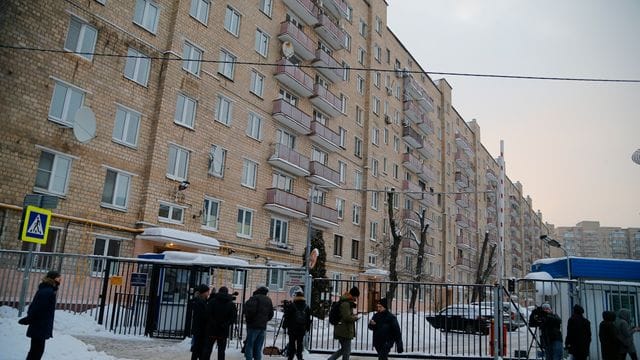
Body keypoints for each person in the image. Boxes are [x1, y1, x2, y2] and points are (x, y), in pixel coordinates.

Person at [18, 270, 62, 360]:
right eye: (58, 278)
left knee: (35, 351)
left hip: (40, 326)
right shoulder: (47, 292)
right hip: (40, 326)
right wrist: (29, 319)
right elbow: (37, 308)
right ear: (52, 279)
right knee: (36, 352)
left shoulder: (47, 290)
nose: (60, 280)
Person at [204, 286, 237, 360]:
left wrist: (213, 323)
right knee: (221, 350)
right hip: (223, 330)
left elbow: (207, 314)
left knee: (208, 349)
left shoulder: (212, 301)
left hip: (212, 329)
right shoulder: (231, 304)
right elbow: (233, 317)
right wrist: (226, 324)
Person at [327, 286, 361, 360]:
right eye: (356, 296)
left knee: (344, 349)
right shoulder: (346, 303)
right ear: (353, 295)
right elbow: (346, 317)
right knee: (346, 351)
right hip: (344, 330)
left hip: (343, 329)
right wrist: (355, 318)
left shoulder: (346, 302)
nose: (356, 299)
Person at [243, 286, 274, 360]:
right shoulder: (268, 300)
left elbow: (249, 311)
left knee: (249, 345)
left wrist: (249, 320)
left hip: (253, 326)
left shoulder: (254, 298)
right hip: (262, 327)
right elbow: (271, 314)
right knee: (258, 347)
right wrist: (264, 320)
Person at [283, 291, 311, 360]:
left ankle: (290, 357)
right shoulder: (306, 306)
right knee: (299, 343)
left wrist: (284, 325)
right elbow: (308, 318)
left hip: (292, 328)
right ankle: (299, 357)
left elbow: (287, 316)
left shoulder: (292, 305)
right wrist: (308, 327)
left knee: (292, 343)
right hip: (301, 328)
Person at [190, 284, 210, 360]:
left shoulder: (201, 301)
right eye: (207, 292)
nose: (208, 293)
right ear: (203, 292)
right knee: (198, 349)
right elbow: (203, 316)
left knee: (197, 349)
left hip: (199, 329)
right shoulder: (200, 302)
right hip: (200, 329)